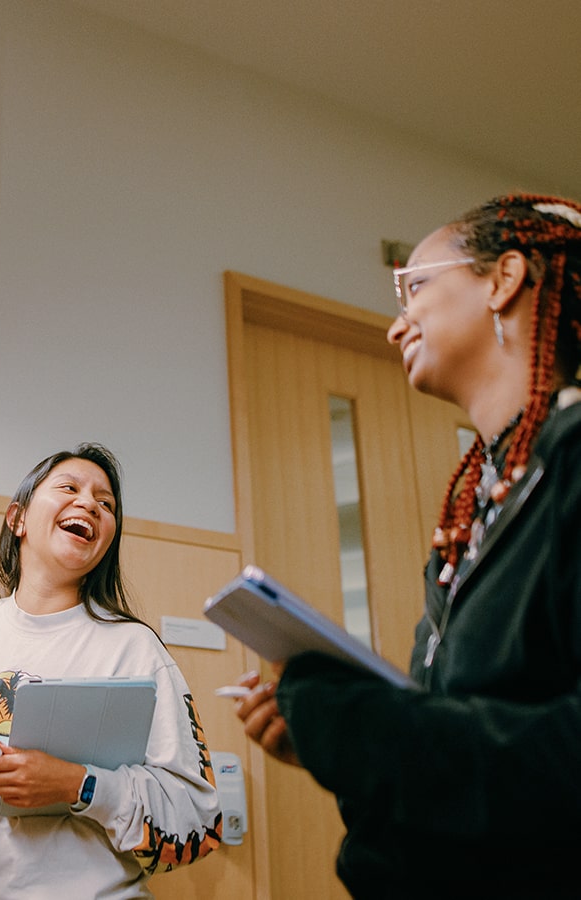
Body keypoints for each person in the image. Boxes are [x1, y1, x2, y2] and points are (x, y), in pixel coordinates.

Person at [234, 194, 581, 898]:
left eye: (414, 286)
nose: (396, 327)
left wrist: (358, 725)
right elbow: (456, 764)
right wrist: (337, 748)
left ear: (503, 279)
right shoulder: (469, 518)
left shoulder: (573, 461)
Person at [0, 442, 222, 899]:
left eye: (106, 503)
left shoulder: (136, 648)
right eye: (69, 487)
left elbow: (197, 822)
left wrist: (81, 785)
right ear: (17, 518)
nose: (89, 504)